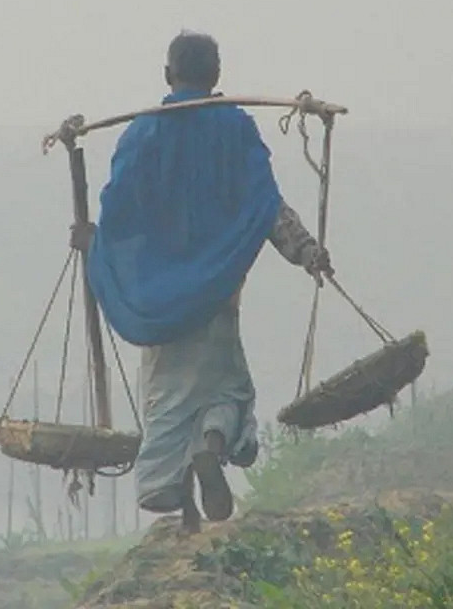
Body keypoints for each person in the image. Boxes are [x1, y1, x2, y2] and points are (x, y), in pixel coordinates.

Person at [71, 31, 331, 532]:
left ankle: (186, 508)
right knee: (225, 390)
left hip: (157, 298)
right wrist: (307, 253)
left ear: (168, 75)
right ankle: (212, 447)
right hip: (218, 291)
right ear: (217, 76)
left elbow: (121, 212)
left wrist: (92, 242)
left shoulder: (143, 134)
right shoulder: (234, 128)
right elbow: (266, 206)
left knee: (167, 395)